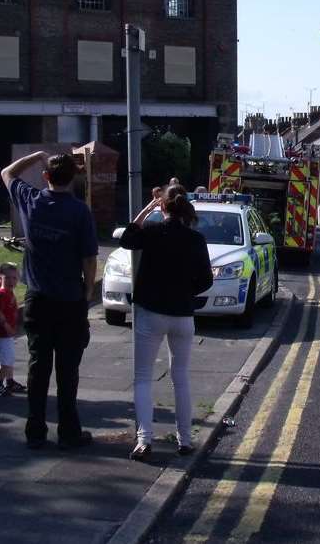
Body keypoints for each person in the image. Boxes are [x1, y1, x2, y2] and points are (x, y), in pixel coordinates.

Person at [1, 151, 98, 450]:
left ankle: (36, 431)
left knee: (37, 365)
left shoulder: (31, 200)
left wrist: (38, 156)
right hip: (69, 299)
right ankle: (69, 433)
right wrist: (87, 291)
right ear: (73, 178)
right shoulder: (80, 212)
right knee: (68, 370)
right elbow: (89, 258)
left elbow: (7, 172)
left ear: (46, 177)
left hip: (38, 298)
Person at [120, 186, 213, 460]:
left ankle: (144, 440)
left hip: (150, 312)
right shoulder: (196, 239)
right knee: (181, 378)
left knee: (143, 378)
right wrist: (185, 293)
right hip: (183, 315)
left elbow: (127, 238)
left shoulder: (151, 231)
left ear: (163, 208)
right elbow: (206, 280)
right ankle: (185, 440)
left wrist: (147, 209)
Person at [0, 262, 26, 396]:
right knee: (6, 361)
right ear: (0, 278)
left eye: (14, 278)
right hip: (1, 334)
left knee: (9, 359)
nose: (11, 281)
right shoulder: (2, 294)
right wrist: (6, 326)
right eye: (8, 278)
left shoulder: (9, 293)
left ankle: (10, 381)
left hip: (7, 335)